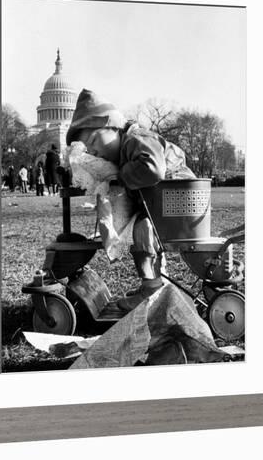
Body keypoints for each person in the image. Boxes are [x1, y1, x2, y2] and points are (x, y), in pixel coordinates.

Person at [66, 89, 194, 312]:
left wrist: (121, 176)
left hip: (179, 202)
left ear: (113, 125)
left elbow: (153, 169)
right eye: (91, 149)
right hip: (168, 204)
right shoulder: (128, 146)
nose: (96, 150)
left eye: (96, 140)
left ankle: (152, 288)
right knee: (142, 230)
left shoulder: (135, 139)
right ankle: (153, 284)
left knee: (142, 231)